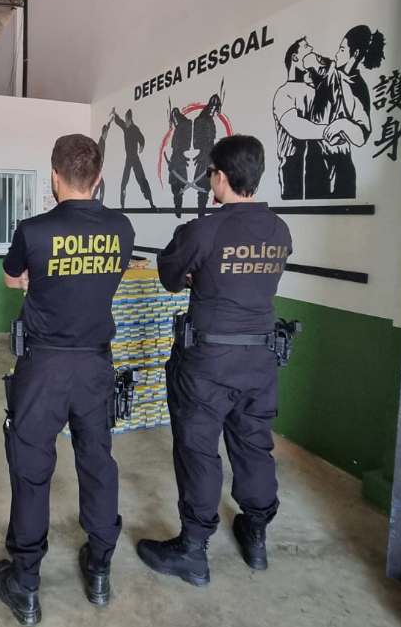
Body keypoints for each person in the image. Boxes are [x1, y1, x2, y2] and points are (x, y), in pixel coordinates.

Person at [0, 134, 136, 625]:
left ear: (54, 176)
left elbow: (14, 279)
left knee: (32, 469)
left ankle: (27, 585)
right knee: (97, 462)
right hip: (97, 365)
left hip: (44, 368)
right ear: (97, 180)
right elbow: (107, 277)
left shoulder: (32, 230)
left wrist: (37, 277)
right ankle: (99, 569)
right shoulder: (121, 228)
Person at [137, 135, 292, 586]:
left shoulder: (202, 230)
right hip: (261, 359)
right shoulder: (280, 230)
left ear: (219, 177)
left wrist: (195, 274)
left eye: (210, 173)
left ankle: (192, 550)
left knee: (199, 448)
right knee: (254, 444)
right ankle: (257, 534)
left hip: (208, 363)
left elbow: (169, 276)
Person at [303, 25, 384, 199]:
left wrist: (342, 124)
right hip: (316, 159)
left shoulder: (357, 88)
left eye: (342, 49)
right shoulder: (332, 70)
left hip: (339, 161)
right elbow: (310, 61)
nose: (337, 54)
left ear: (354, 55)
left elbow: (361, 136)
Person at [273, 38, 329, 200]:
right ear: (295, 58)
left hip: (320, 164)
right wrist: (332, 130)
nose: (312, 49)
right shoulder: (284, 93)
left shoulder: (317, 90)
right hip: (293, 167)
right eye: (306, 47)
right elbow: (296, 127)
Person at [111, 107, 157, 210]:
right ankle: (122, 205)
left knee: (142, 179)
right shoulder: (125, 126)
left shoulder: (135, 129)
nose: (126, 122)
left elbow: (141, 138)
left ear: (130, 119)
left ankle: (151, 203)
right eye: (125, 120)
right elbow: (118, 121)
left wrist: (142, 145)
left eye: (127, 120)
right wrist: (114, 114)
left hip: (135, 158)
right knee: (124, 182)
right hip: (129, 159)